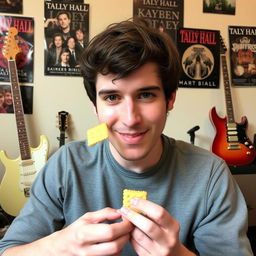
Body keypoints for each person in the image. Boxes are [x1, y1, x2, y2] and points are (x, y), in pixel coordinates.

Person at [0, 18, 253, 256]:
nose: (130, 119)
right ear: (95, 106)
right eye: (112, 97)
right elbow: (9, 250)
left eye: (146, 95)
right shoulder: (66, 165)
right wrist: (59, 244)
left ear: (170, 99)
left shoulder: (210, 174)